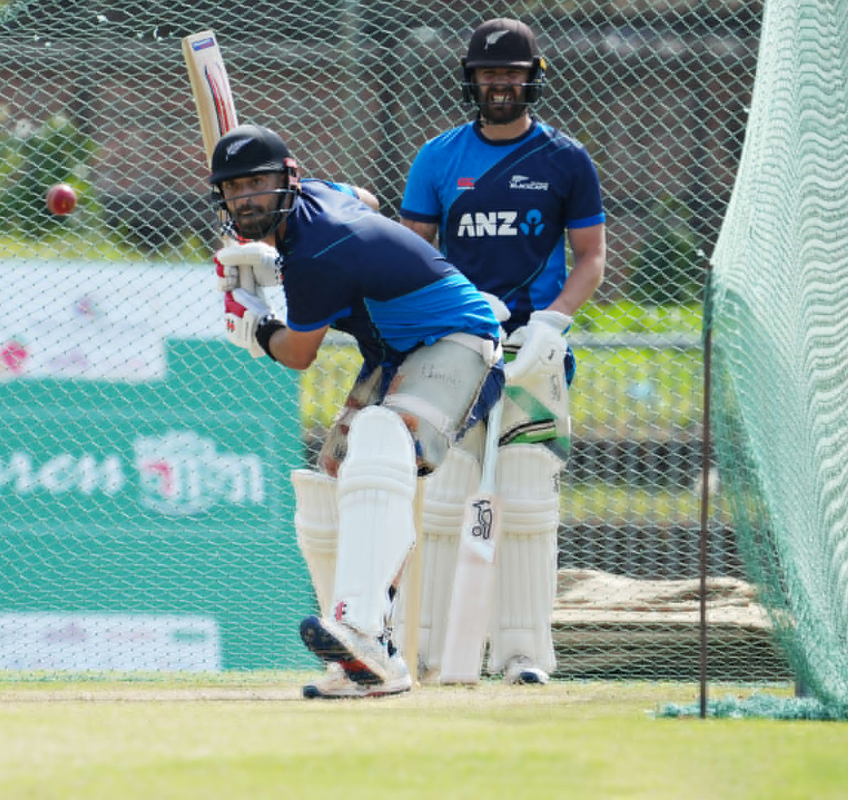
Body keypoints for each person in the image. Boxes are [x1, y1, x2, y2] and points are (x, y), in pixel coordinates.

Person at [207, 123, 504, 698]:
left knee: (381, 433)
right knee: (328, 490)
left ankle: (364, 630)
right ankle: (364, 661)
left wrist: (255, 320)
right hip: (393, 352)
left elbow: (298, 354)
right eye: (234, 187)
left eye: (257, 183)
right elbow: (365, 201)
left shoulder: (317, 253)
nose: (245, 198)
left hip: (457, 339)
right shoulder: (319, 199)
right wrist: (272, 260)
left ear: (287, 180)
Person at [398, 17, 607, 685]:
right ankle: (429, 653)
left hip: (532, 355)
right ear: (471, 80)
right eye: (489, 74)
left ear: (532, 78)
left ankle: (523, 656)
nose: (500, 84)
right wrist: (449, 316)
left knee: (525, 502)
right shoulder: (437, 158)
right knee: (445, 497)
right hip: (455, 348)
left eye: (512, 73)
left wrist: (551, 323)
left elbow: (591, 258)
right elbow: (413, 256)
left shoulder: (565, 161)